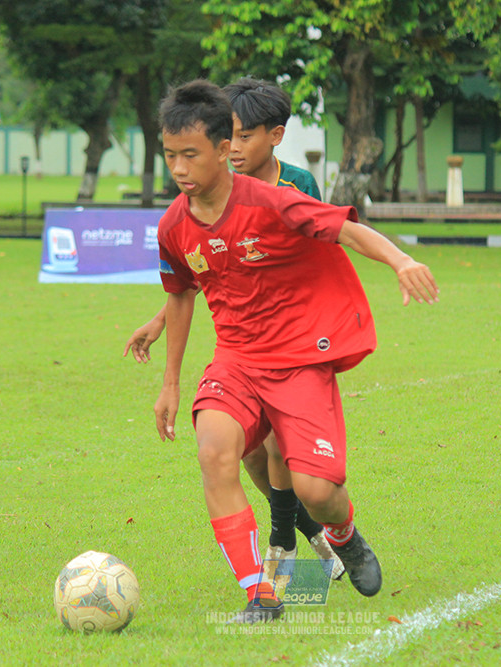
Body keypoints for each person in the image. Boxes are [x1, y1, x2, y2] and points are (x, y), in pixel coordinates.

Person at [152, 79, 438, 623]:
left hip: (299, 361)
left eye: (190, 154)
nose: (180, 168)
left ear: (222, 148)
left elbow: (347, 231)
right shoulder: (172, 225)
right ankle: (260, 594)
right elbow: (181, 294)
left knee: (317, 490)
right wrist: (169, 383)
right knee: (215, 452)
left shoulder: (275, 201)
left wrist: (400, 260)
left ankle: (344, 534)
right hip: (235, 361)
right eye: (170, 156)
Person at [125, 78, 343, 583]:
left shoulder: (293, 189)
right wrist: (162, 320)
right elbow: (210, 268)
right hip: (246, 346)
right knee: (244, 452)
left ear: (274, 137)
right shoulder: (207, 198)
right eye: (234, 138)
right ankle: (311, 535)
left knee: (276, 450)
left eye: (246, 138)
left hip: (296, 342)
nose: (238, 149)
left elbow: (294, 263)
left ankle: (284, 542)